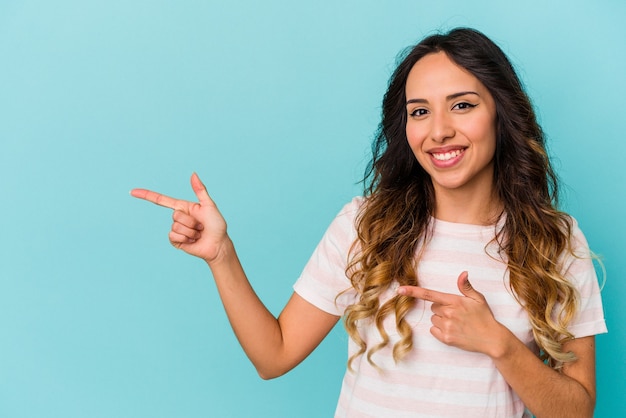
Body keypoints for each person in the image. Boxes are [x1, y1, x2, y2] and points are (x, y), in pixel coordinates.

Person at [131, 28, 606, 418]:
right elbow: (272, 356)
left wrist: (499, 344)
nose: (438, 129)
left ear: (501, 114)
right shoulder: (366, 225)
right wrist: (221, 256)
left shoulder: (556, 243)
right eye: (419, 111)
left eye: (462, 104)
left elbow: (577, 409)